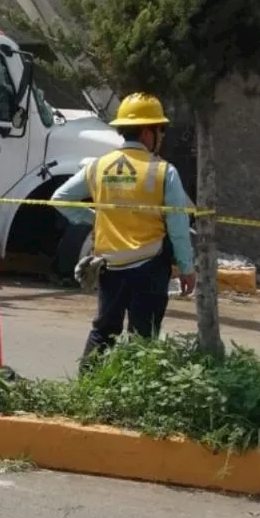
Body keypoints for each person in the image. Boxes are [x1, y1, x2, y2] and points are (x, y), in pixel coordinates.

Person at [49, 92, 196, 366]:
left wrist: (94, 218)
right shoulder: (164, 171)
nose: (161, 136)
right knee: (144, 338)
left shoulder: (98, 166)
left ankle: (88, 385)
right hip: (150, 265)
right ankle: (133, 390)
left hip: (109, 264)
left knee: (103, 331)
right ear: (146, 132)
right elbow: (178, 225)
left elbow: (59, 198)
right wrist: (187, 267)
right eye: (159, 129)